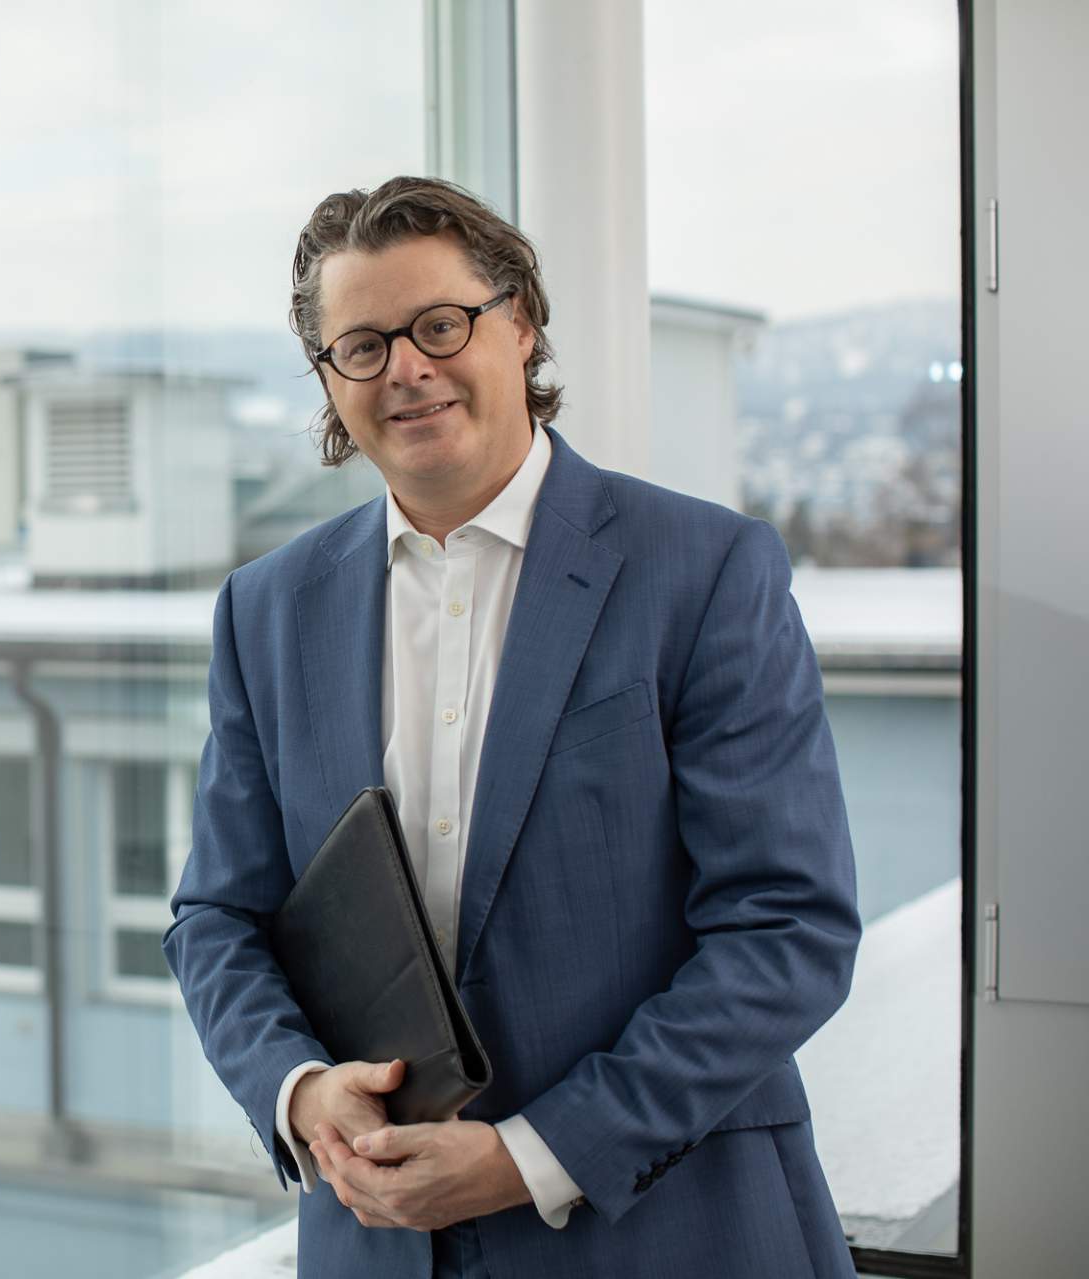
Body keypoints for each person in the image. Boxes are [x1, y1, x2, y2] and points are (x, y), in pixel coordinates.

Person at [162, 175, 861, 1278]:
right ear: (328, 381)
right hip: (377, 1242)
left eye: (440, 324)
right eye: (361, 346)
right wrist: (301, 1092)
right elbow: (216, 917)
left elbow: (788, 931)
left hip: (667, 1234)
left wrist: (530, 1155)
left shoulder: (706, 571)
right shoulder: (267, 610)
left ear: (522, 321)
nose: (406, 368)